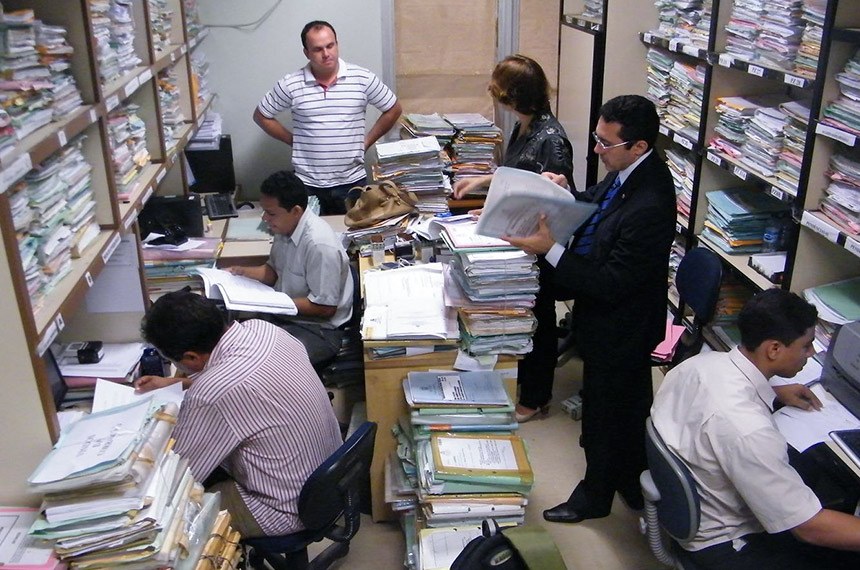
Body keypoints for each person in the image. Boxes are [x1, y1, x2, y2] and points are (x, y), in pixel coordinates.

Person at [504, 94, 676, 523]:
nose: (597, 150)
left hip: (622, 326)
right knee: (628, 408)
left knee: (604, 416)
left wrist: (550, 250)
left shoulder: (651, 202)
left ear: (639, 146)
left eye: (606, 143)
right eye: (597, 138)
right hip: (610, 316)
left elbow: (610, 283)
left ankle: (594, 498)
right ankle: (632, 481)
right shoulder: (627, 171)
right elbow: (598, 201)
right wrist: (566, 192)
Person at [650, 289, 860, 569]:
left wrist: (775, 391)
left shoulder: (700, 364)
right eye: (807, 345)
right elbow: (809, 528)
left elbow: (717, 406)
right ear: (774, 349)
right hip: (726, 544)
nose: (812, 353)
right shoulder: (749, 430)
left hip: (696, 507)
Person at [138, 290, 342, 537]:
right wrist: (176, 383)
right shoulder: (263, 329)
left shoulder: (210, 394)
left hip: (285, 509)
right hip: (331, 476)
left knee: (166, 515)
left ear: (190, 356)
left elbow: (178, 474)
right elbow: (246, 380)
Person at [454, 54, 574, 423]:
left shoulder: (552, 140)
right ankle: (522, 377)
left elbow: (550, 203)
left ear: (513, 96)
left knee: (538, 318)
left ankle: (536, 397)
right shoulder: (524, 126)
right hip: (519, 238)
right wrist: (486, 194)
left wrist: (503, 216)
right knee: (520, 314)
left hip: (540, 247)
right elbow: (519, 178)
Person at [253, 20, 402, 215]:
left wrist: (366, 142)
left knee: (353, 233)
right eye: (317, 49)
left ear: (337, 44)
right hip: (307, 185)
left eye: (330, 46)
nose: (326, 53)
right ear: (306, 53)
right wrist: (294, 141)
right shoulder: (291, 84)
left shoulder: (362, 78)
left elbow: (393, 109)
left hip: (351, 183)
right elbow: (261, 115)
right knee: (308, 233)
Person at [226, 170, 353, 368]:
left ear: (296, 211)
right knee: (232, 346)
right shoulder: (284, 227)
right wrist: (240, 272)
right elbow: (274, 272)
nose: (265, 218)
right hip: (284, 316)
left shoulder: (319, 245)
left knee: (257, 365)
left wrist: (273, 302)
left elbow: (325, 308)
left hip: (318, 330)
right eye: (264, 211)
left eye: (271, 213)